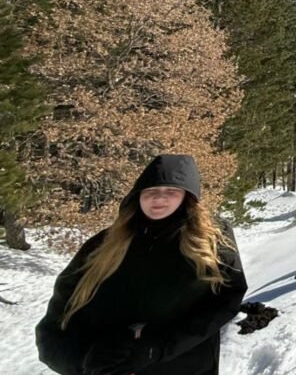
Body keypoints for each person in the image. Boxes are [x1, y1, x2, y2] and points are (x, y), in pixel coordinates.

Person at [36, 155, 246, 375]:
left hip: (182, 366)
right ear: (137, 196)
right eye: (151, 191)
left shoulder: (211, 241)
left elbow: (224, 302)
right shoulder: (104, 244)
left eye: (171, 192)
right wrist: (82, 363)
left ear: (188, 196)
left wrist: (157, 347)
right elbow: (58, 317)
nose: (159, 199)